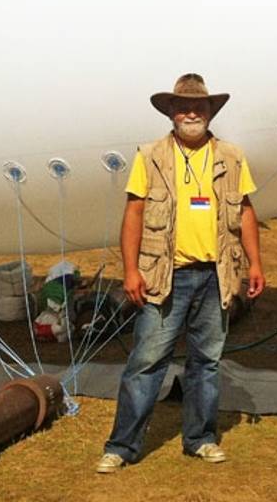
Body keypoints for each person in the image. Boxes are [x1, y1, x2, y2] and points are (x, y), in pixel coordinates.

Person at [95, 73, 265, 473]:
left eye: (199, 107)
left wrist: (255, 263)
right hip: (163, 276)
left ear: (210, 112)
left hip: (215, 275)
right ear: (171, 112)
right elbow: (133, 213)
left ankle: (200, 439)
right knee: (147, 361)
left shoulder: (231, 157)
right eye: (183, 106)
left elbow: (245, 211)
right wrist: (131, 271)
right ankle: (122, 446)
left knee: (206, 362)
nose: (192, 113)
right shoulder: (151, 156)